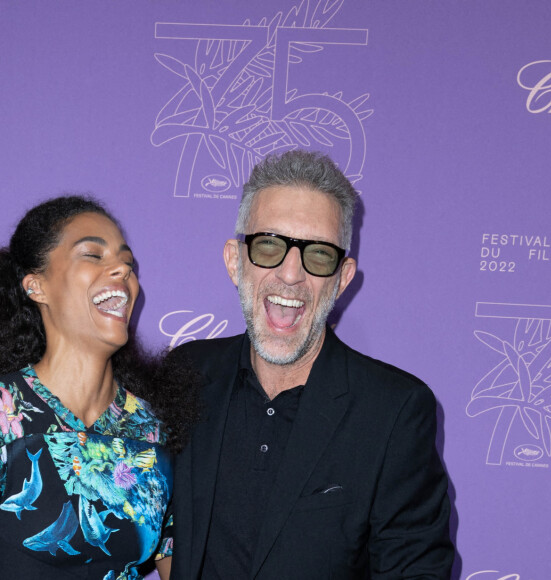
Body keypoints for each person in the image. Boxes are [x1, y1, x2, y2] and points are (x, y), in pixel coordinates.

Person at [169, 150, 454, 579]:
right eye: (268, 245)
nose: (290, 274)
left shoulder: (394, 412)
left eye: (318, 255)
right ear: (235, 260)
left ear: (342, 277)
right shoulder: (185, 375)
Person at [0, 196, 197, 580]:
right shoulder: (6, 411)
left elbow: (178, 566)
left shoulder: (154, 429)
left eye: (128, 262)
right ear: (36, 286)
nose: (122, 269)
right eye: (93, 254)